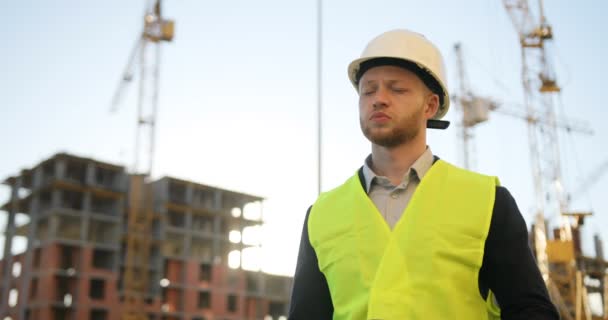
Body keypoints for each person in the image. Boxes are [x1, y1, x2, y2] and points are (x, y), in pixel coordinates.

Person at [288, 29, 559, 319]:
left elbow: (531, 310)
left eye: (396, 89)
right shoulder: (322, 215)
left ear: (430, 105)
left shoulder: (487, 201)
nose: (378, 99)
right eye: (368, 90)